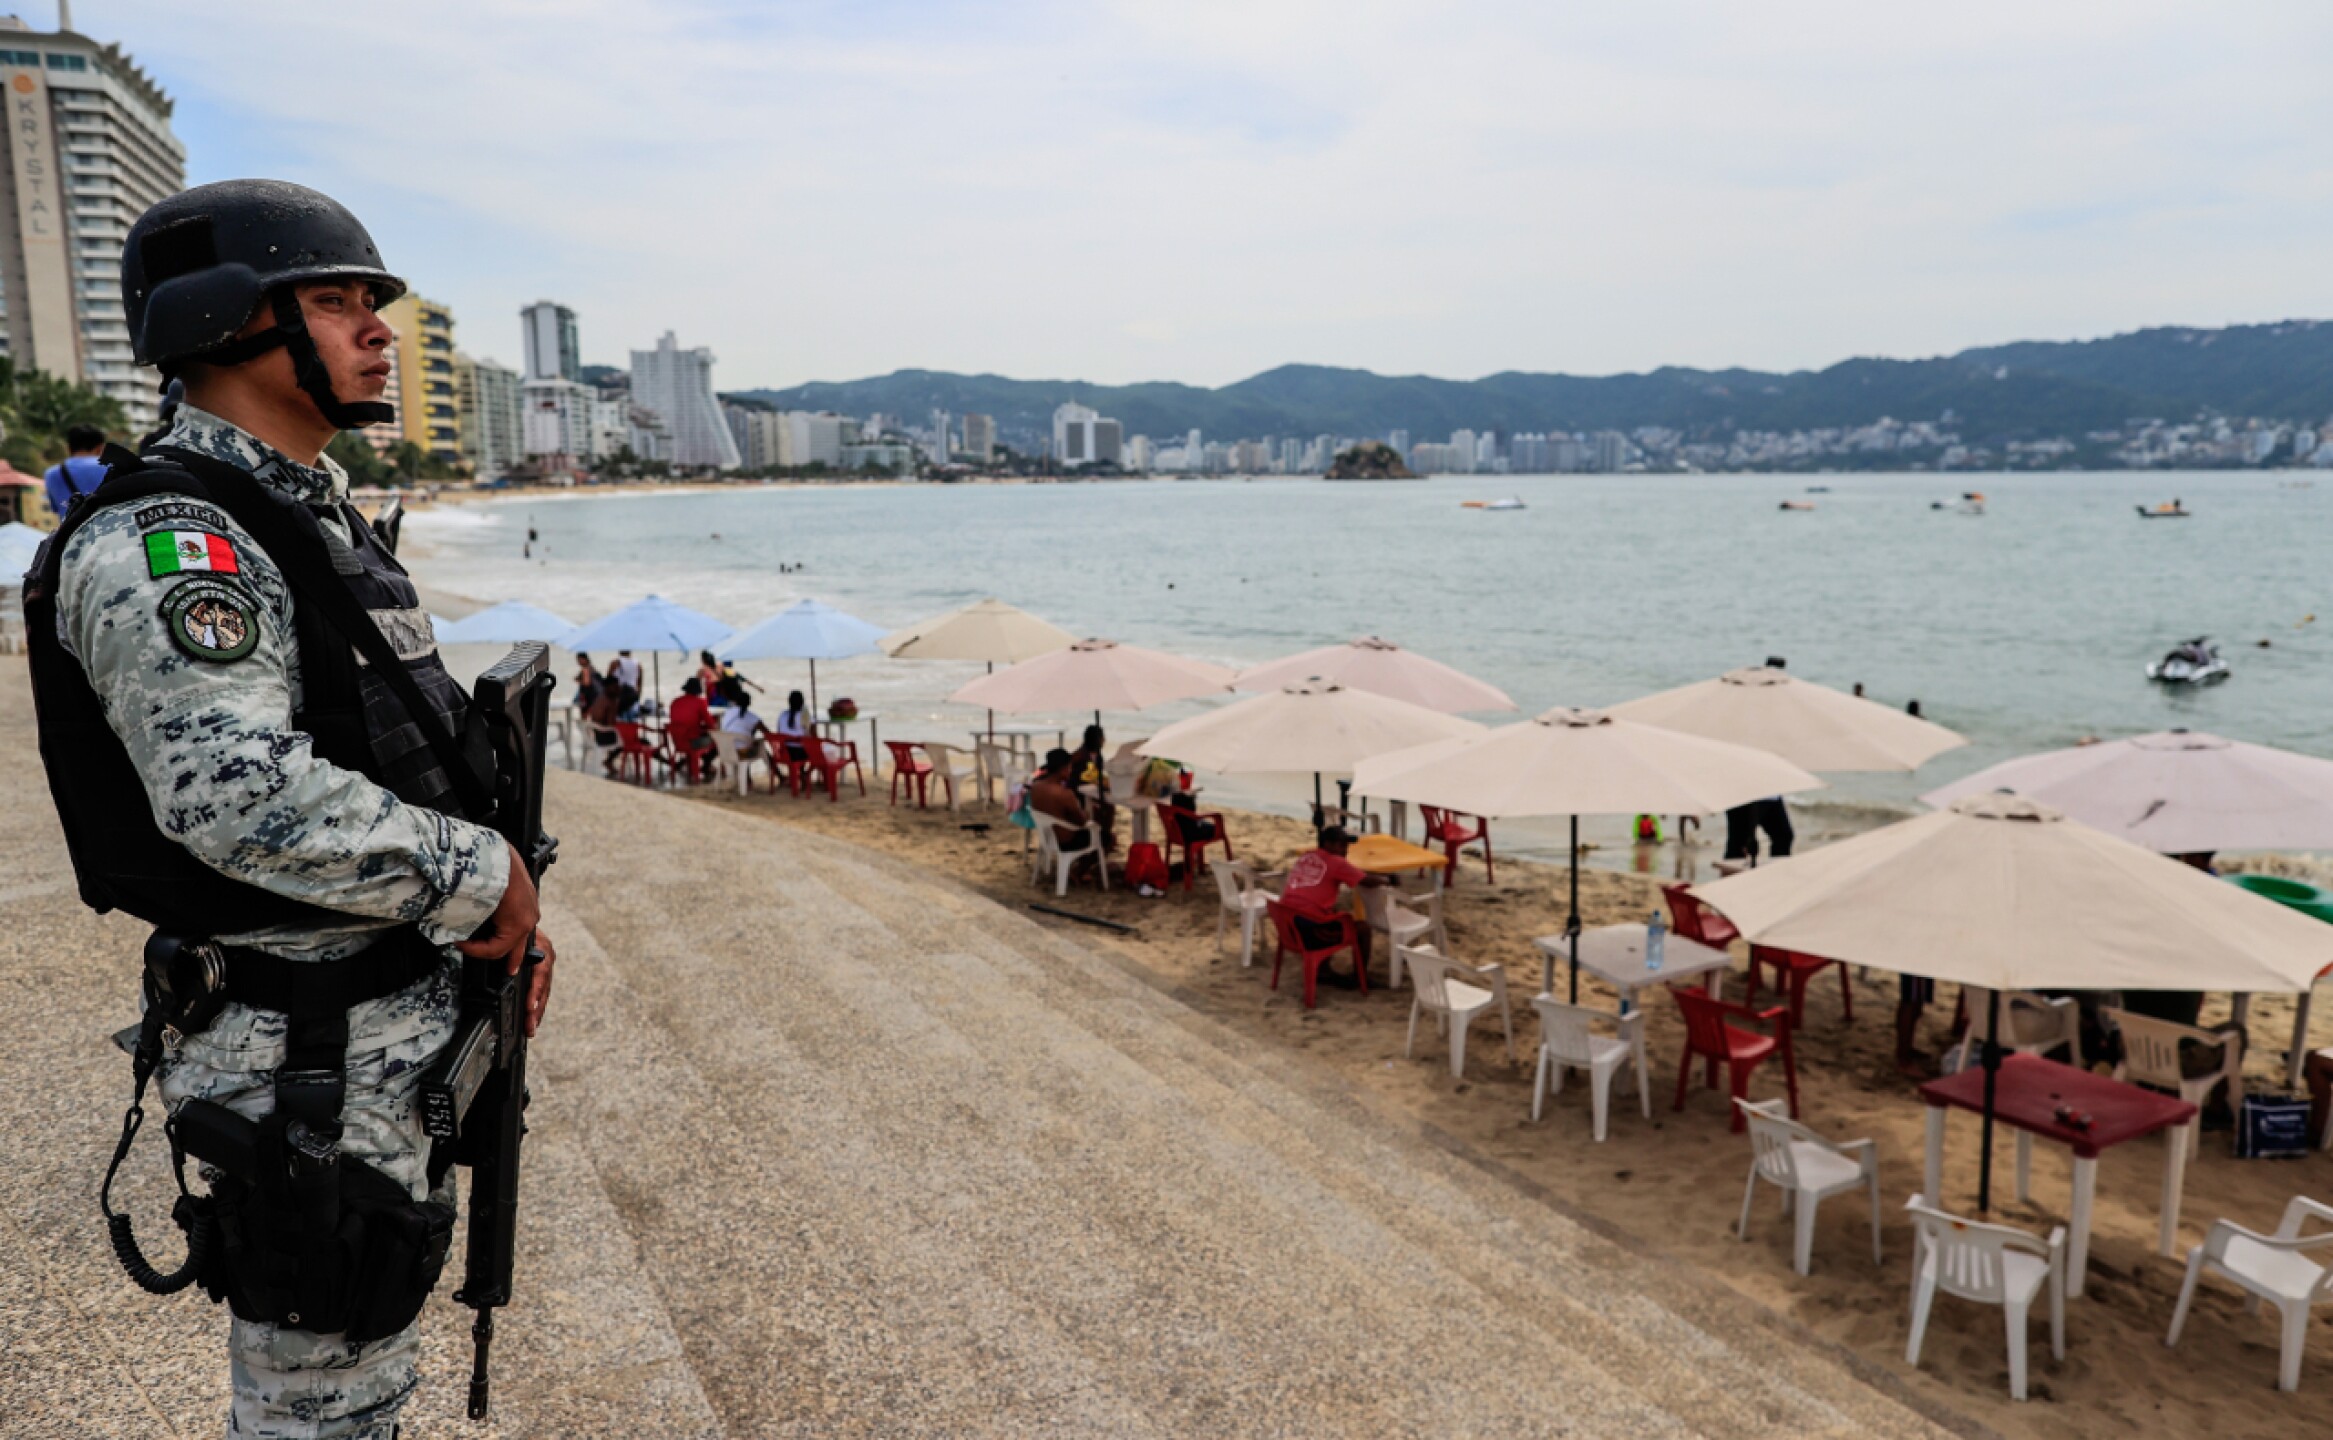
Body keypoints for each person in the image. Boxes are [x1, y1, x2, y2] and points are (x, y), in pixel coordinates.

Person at [23, 180, 554, 1440]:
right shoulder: (177, 539)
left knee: (361, 1368)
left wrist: (494, 919)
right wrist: (484, 881)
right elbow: (237, 798)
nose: (378, 329)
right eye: (337, 300)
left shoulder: (310, 518)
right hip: (302, 1056)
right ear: (226, 327)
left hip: (383, 1021)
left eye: (374, 303)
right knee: (320, 1397)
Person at [1279, 826, 1390, 985]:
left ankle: (1323, 970)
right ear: (1327, 844)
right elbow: (1367, 881)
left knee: (1331, 913)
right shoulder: (1336, 862)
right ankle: (1360, 977)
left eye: (1346, 846)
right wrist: (1388, 880)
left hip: (1286, 926)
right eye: (1341, 845)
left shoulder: (1306, 856)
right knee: (1363, 929)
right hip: (1309, 932)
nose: (1345, 851)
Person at [1028, 748, 1101, 877]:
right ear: (1063, 769)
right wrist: (1087, 814)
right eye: (1070, 767)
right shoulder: (1064, 794)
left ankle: (1080, 869)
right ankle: (1079, 872)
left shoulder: (1036, 786)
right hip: (1065, 841)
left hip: (1047, 838)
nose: (1071, 770)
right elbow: (1081, 822)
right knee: (1106, 838)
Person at [1068, 722, 1117, 852]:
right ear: (1096, 739)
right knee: (1102, 809)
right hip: (1078, 794)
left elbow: (1097, 775)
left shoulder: (1098, 755)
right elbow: (1077, 780)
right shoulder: (1079, 757)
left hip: (1090, 790)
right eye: (1102, 737)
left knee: (1109, 807)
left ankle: (1104, 836)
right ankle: (1101, 839)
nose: (1104, 740)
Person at [42, 422, 107, 518]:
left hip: (72, 531)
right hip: (110, 528)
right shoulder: (111, 466)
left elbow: (56, 507)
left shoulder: (52, 473)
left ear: (68, 448)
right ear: (100, 448)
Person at [667, 676, 714, 780]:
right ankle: (706, 766)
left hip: (677, 742)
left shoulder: (675, 702)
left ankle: (695, 765)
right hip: (692, 742)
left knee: (699, 739)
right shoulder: (700, 702)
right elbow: (710, 724)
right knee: (717, 741)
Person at [772, 688, 813, 762]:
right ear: (802, 702)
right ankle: (803, 771)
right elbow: (814, 735)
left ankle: (800, 771)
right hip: (799, 753)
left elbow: (779, 732)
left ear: (789, 702)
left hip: (784, 752)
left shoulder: (782, 715)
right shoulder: (805, 715)